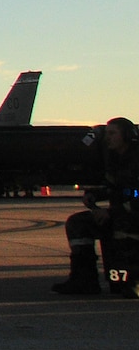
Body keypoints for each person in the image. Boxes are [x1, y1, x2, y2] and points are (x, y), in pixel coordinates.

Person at [53, 117, 137, 297]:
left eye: (113, 133)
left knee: (122, 231)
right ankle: (84, 281)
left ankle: (129, 280)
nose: (108, 138)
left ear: (127, 135)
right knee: (78, 223)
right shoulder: (115, 159)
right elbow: (113, 186)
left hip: (132, 216)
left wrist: (111, 211)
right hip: (120, 214)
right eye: (107, 134)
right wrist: (95, 195)